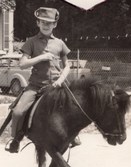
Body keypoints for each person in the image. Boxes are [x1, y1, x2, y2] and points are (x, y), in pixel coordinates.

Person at [6, 7, 81, 153]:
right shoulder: (31, 42)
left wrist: (60, 81)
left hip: (57, 85)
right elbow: (22, 64)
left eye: (49, 23)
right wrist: (41, 57)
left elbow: (67, 67)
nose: (46, 25)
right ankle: (15, 140)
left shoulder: (60, 43)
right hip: (36, 86)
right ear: (38, 23)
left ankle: (73, 136)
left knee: (75, 107)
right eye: (43, 22)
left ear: (55, 25)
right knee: (18, 112)